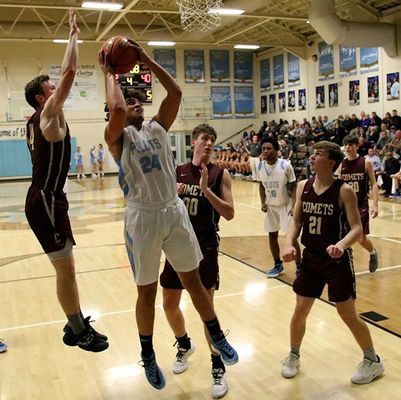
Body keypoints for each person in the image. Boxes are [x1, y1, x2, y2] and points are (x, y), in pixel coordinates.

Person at [98, 40, 238, 390]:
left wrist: (147, 59)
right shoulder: (117, 138)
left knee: (194, 281)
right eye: (130, 102)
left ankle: (217, 334)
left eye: (139, 100)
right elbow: (117, 109)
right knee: (147, 292)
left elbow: (175, 92)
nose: (136, 104)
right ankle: (147, 353)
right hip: (142, 218)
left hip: (174, 212)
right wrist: (110, 72)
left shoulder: (158, 127)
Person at [23, 9, 108, 352]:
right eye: (51, 87)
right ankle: (77, 330)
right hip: (45, 198)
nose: (57, 88)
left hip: (49, 197)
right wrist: (73, 33)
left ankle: (75, 323)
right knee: (66, 270)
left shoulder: (37, 119)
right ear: (42, 98)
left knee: (66, 267)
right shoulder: (47, 115)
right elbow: (71, 71)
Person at [281, 141, 384, 384]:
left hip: (337, 260)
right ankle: (293, 354)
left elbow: (357, 228)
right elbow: (296, 221)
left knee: (347, 313)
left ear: (330, 162)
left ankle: (373, 361)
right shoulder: (303, 186)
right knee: (300, 309)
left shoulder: (344, 190)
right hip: (311, 258)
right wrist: (288, 243)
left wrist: (342, 245)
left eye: (317, 154)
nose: (312, 157)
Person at [160, 123, 234, 399]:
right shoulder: (177, 171)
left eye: (212, 139)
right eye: (204, 138)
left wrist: (206, 189)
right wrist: (173, 194)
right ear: (194, 142)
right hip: (177, 243)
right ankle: (184, 344)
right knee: (169, 304)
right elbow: (162, 205)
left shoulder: (220, 174)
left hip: (205, 246)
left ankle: (217, 367)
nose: (209, 143)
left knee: (206, 310)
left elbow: (229, 213)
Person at [258, 138, 300, 278]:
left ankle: (300, 267)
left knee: (291, 237)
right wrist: (263, 202)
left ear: (276, 150)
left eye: (269, 148)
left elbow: (294, 186)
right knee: (272, 235)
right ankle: (278, 264)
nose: (265, 151)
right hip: (271, 206)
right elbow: (261, 185)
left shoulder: (285, 165)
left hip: (285, 205)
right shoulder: (260, 166)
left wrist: (294, 206)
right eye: (263, 149)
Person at [338, 134, 379, 272]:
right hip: (345, 205)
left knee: (360, 239)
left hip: (361, 204)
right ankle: (344, 261)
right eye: (346, 145)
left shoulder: (366, 162)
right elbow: (339, 186)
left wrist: (375, 205)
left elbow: (374, 184)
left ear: (357, 146)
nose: (348, 147)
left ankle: (373, 252)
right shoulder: (341, 165)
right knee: (343, 235)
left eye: (351, 145)